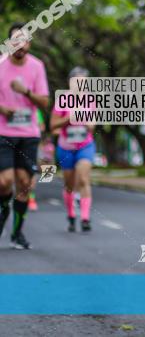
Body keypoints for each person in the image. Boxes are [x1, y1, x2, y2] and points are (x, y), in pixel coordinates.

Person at [0, 23, 50, 249]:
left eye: (24, 40)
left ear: (29, 43)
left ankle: (17, 233)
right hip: (3, 132)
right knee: (5, 181)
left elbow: (45, 102)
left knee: (24, 184)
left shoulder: (37, 67)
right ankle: (3, 207)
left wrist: (26, 92)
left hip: (28, 134)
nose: (20, 45)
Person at [50, 67, 96, 233]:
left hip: (85, 146)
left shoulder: (90, 100)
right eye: (77, 81)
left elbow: (92, 127)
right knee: (69, 184)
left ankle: (85, 217)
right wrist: (67, 119)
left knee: (83, 179)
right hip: (66, 147)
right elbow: (53, 125)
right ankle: (71, 215)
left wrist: (84, 120)